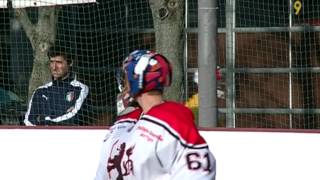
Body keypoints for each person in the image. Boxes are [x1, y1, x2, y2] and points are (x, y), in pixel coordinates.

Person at [95, 50, 216, 179]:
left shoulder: (170, 119)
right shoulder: (125, 124)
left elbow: (199, 173)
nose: (124, 84)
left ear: (137, 81)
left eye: (126, 77)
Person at [24, 47, 89, 126]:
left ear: (70, 63)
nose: (54, 67)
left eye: (59, 62)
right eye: (51, 62)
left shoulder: (80, 89)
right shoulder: (40, 91)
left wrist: (44, 121)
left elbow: (74, 119)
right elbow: (29, 121)